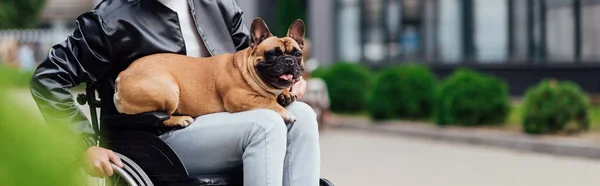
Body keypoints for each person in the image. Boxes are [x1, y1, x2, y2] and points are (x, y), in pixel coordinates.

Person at [29, 0, 321, 186]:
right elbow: (48, 77)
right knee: (266, 124)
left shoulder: (219, 5)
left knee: (303, 115)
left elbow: (255, 60)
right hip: (154, 137)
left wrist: (288, 82)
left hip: (226, 122)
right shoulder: (110, 18)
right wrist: (82, 143)